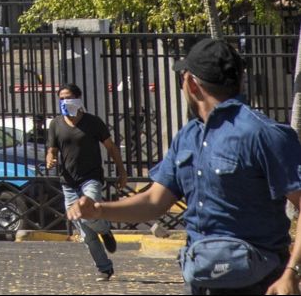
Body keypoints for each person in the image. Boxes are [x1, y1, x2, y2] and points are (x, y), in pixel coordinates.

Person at [68, 39, 301, 295]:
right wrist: (98, 210)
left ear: (191, 84)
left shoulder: (264, 134)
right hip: (200, 280)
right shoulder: (188, 136)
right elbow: (154, 202)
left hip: (259, 283)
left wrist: (292, 272)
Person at [46, 83, 128, 281]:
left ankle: (104, 229)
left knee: (87, 214)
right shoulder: (56, 124)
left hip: (90, 178)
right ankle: (104, 268)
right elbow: (52, 149)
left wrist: (122, 171)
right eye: (61, 98)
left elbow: (111, 147)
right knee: (84, 231)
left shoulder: (93, 122)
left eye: (68, 97)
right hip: (68, 182)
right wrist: (50, 157)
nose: (65, 102)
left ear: (78, 99)